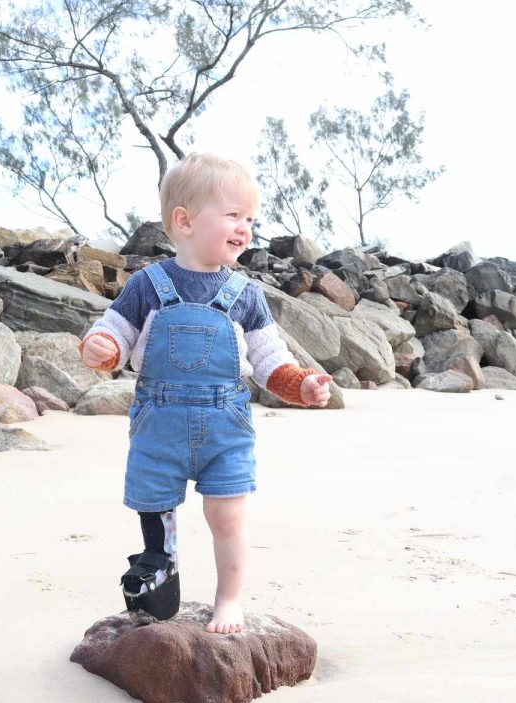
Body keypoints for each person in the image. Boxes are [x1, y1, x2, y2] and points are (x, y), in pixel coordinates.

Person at [79, 153, 333, 634]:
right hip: (159, 424)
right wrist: (102, 348)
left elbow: (268, 359)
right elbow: (114, 331)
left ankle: (229, 599)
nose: (246, 228)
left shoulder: (246, 295)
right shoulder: (147, 285)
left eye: (251, 219)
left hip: (224, 428)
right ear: (185, 221)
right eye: (234, 215)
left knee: (227, 517)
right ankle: (160, 569)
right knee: (154, 507)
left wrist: (299, 384)